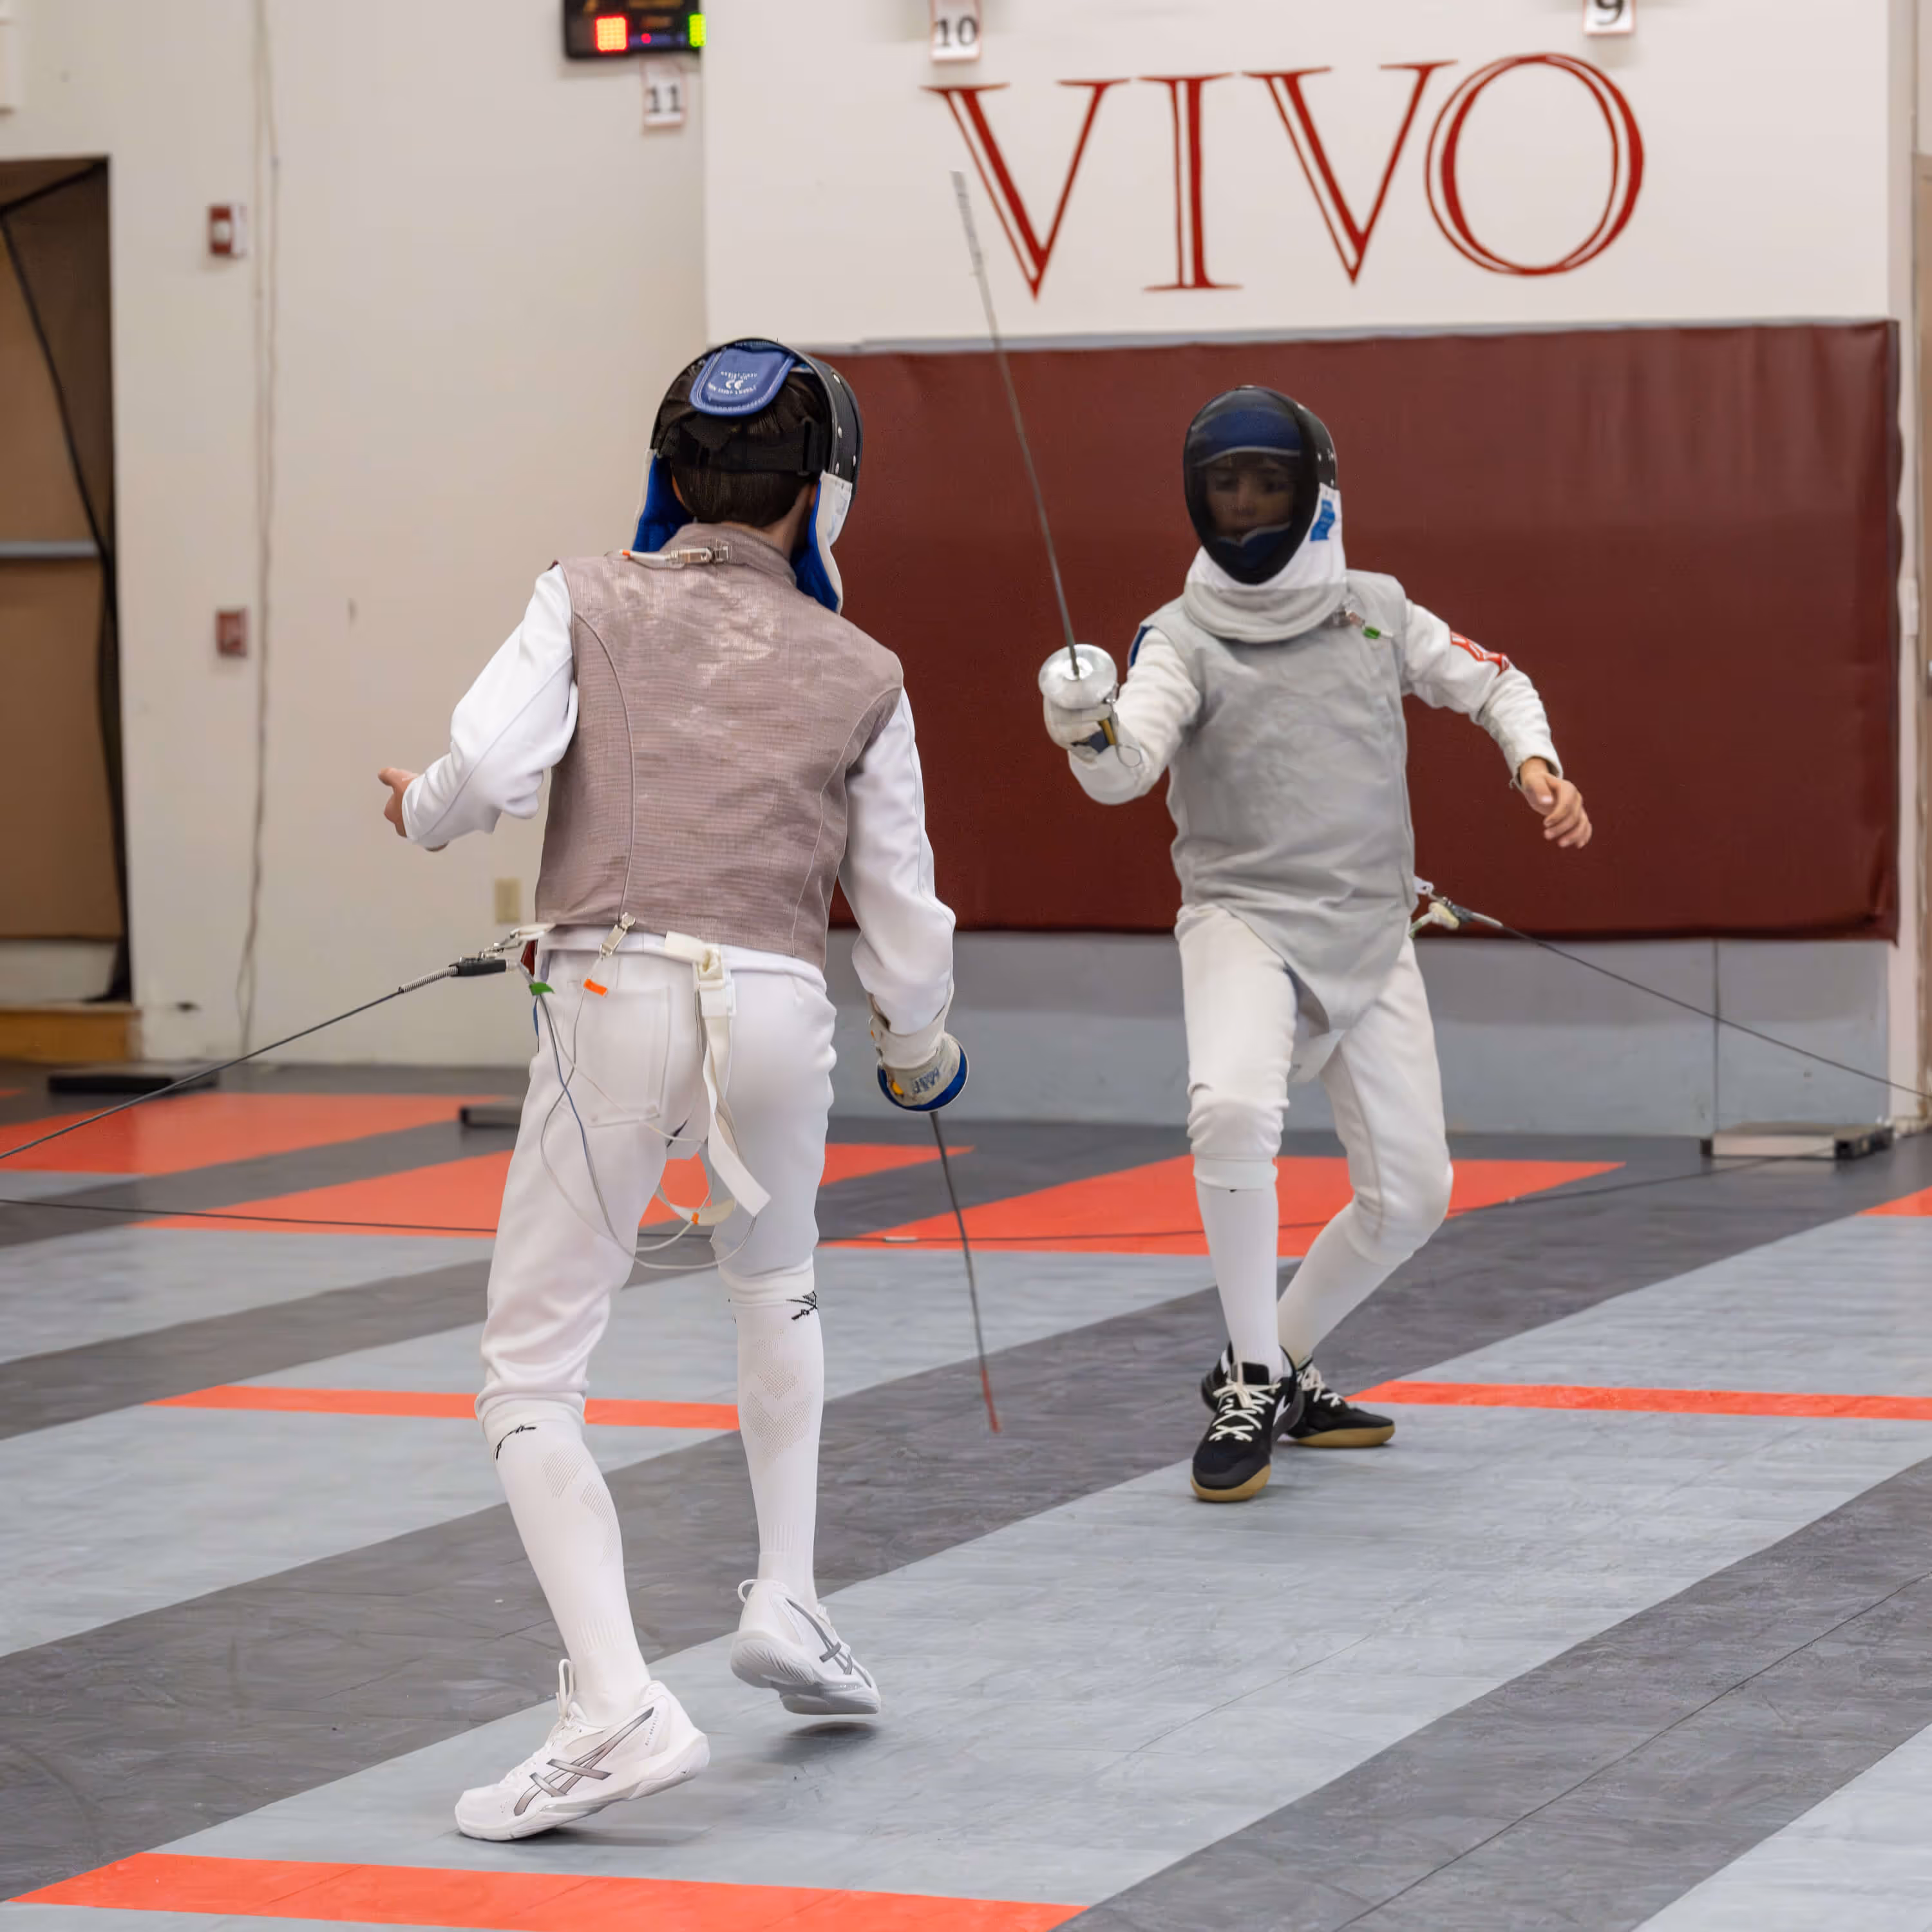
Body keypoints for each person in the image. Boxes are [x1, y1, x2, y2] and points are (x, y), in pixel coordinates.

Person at [378, 339, 962, 1839]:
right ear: (823, 495)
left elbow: (488, 768)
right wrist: (921, 1046)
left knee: (530, 1375)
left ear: (671, 476)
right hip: (774, 1005)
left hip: (609, 990)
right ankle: (787, 1598)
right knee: (776, 1290)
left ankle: (618, 1701)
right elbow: (901, 911)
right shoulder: (868, 667)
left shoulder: (589, 590)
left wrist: (421, 815)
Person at [1037, 386, 1590, 1504]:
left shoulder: (1377, 608)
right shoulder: (1178, 637)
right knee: (1233, 1110)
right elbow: (1124, 769)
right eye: (1225, 487)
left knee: (1417, 1195)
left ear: (1316, 493)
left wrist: (1533, 761)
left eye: (1268, 485)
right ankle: (1249, 1380)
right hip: (1242, 918)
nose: (1245, 508)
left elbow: (1494, 681)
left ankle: (1278, 1362)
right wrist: (1080, 718)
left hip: (1374, 931)